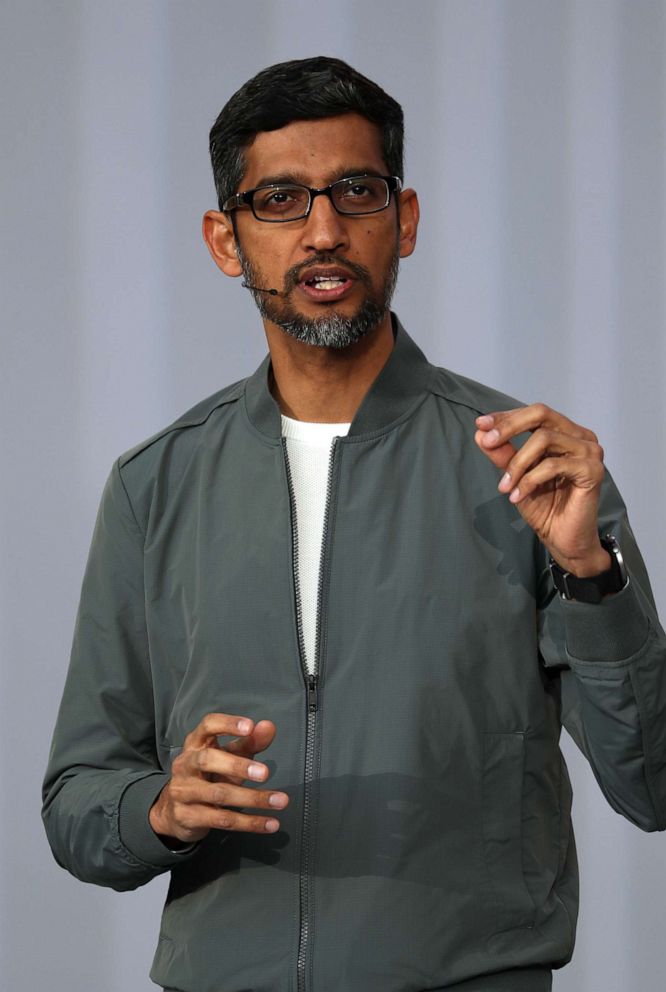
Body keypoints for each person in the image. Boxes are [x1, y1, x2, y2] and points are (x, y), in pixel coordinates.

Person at [42, 56, 666, 992]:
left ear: (403, 221)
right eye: (282, 200)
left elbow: (652, 785)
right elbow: (77, 804)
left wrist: (592, 574)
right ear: (226, 240)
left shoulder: (532, 470)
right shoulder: (154, 485)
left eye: (356, 193)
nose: (324, 232)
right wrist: (163, 809)